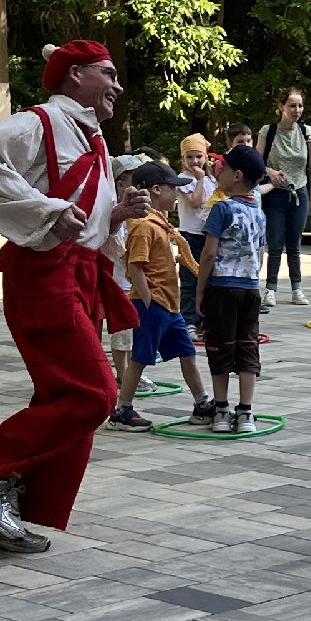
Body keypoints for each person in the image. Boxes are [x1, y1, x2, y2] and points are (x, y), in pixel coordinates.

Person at [0, 40, 152, 552]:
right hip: (46, 276)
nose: (117, 84)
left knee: (62, 396)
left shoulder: (95, 139)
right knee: (95, 395)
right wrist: (45, 212)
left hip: (81, 276)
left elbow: (85, 222)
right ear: (74, 74)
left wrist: (117, 213)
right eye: (107, 74)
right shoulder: (36, 123)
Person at [107, 163, 216, 433]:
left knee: (187, 353)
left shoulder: (161, 224)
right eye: (173, 190)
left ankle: (202, 404)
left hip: (170, 304)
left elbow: (154, 259)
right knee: (141, 358)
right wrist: (147, 301)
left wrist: (173, 258)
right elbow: (135, 266)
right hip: (153, 304)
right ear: (156, 190)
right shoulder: (144, 226)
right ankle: (123, 410)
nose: (178, 195)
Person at [196, 146, 269, 434]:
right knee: (248, 346)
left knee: (220, 346)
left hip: (222, 288)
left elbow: (209, 255)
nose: (219, 173)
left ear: (237, 175)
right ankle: (246, 413)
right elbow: (261, 252)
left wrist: (200, 291)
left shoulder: (222, 209)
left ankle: (222, 411)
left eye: (223, 168)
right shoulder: (259, 213)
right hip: (250, 288)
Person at [255, 86, 311, 310]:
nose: (297, 110)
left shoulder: (306, 131)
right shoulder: (268, 131)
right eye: (292, 105)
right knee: (275, 242)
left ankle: (296, 288)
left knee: (294, 243)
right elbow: (256, 163)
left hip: (299, 192)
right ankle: (270, 288)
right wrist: (270, 172)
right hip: (275, 193)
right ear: (281, 107)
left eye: (300, 106)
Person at [105, 154, 154, 393]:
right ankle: (122, 375)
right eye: (136, 179)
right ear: (121, 184)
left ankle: (130, 374)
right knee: (122, 332)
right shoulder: (115, 211)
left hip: (132, 282)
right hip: (120, 282)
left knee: (133, 331)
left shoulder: (140, 210)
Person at [177, 133, 218, 336]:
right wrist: (200, 180)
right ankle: (188, 320)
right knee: (189, 279)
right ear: (183, 159)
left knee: (207, 278)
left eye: (199, 156)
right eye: (190, 157)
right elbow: (195, 201)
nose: (195, 161)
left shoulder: (212, 179)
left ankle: (204, 319)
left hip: (207, 235)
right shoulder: (183, 179)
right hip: (189, 236)